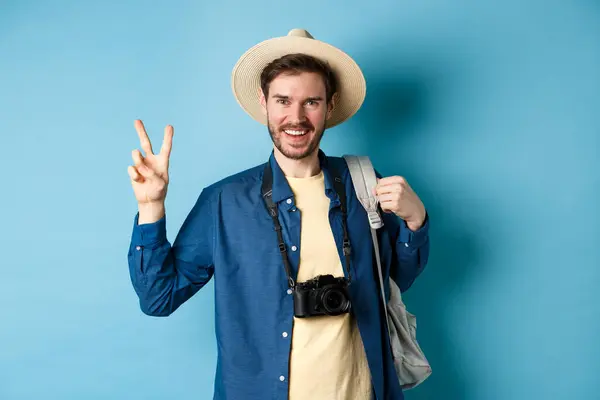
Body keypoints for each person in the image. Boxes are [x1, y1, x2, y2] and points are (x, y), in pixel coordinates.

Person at [127, 28, 430, 400]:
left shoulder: (364, 185)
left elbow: (394, 279)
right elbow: (158, 298)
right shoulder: (224, 202)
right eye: (283, 101)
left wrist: (415, 222)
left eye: (311, 102)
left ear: (330, 106)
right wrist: (151, 208)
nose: (296, 117)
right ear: (264, 103)